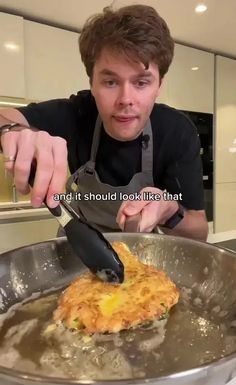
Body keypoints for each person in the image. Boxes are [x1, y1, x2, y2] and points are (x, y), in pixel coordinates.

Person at [0, 4, 208, 240]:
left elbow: (199, 232)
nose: (126, 100)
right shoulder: (78, 112)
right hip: (80, 248)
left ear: (159, 85)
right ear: (92, 83)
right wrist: (10, 130)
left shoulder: (176, 132)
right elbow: (4, 118)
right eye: (110, 82)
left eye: (141, 82)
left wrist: (170, 211)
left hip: (143, 260)